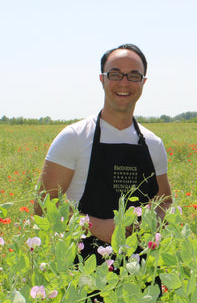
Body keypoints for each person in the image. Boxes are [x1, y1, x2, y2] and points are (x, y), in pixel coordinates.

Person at [36, 43, 172, 260]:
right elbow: (43, 205)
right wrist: (94, 226)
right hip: (79, 268)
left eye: (134, 75)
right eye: (115, 74)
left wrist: (148, 224)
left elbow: (164, 201)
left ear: (144, 82)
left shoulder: (153, 143)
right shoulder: (74, 137)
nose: (124, 83)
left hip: (140, 269)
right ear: (102, 79)